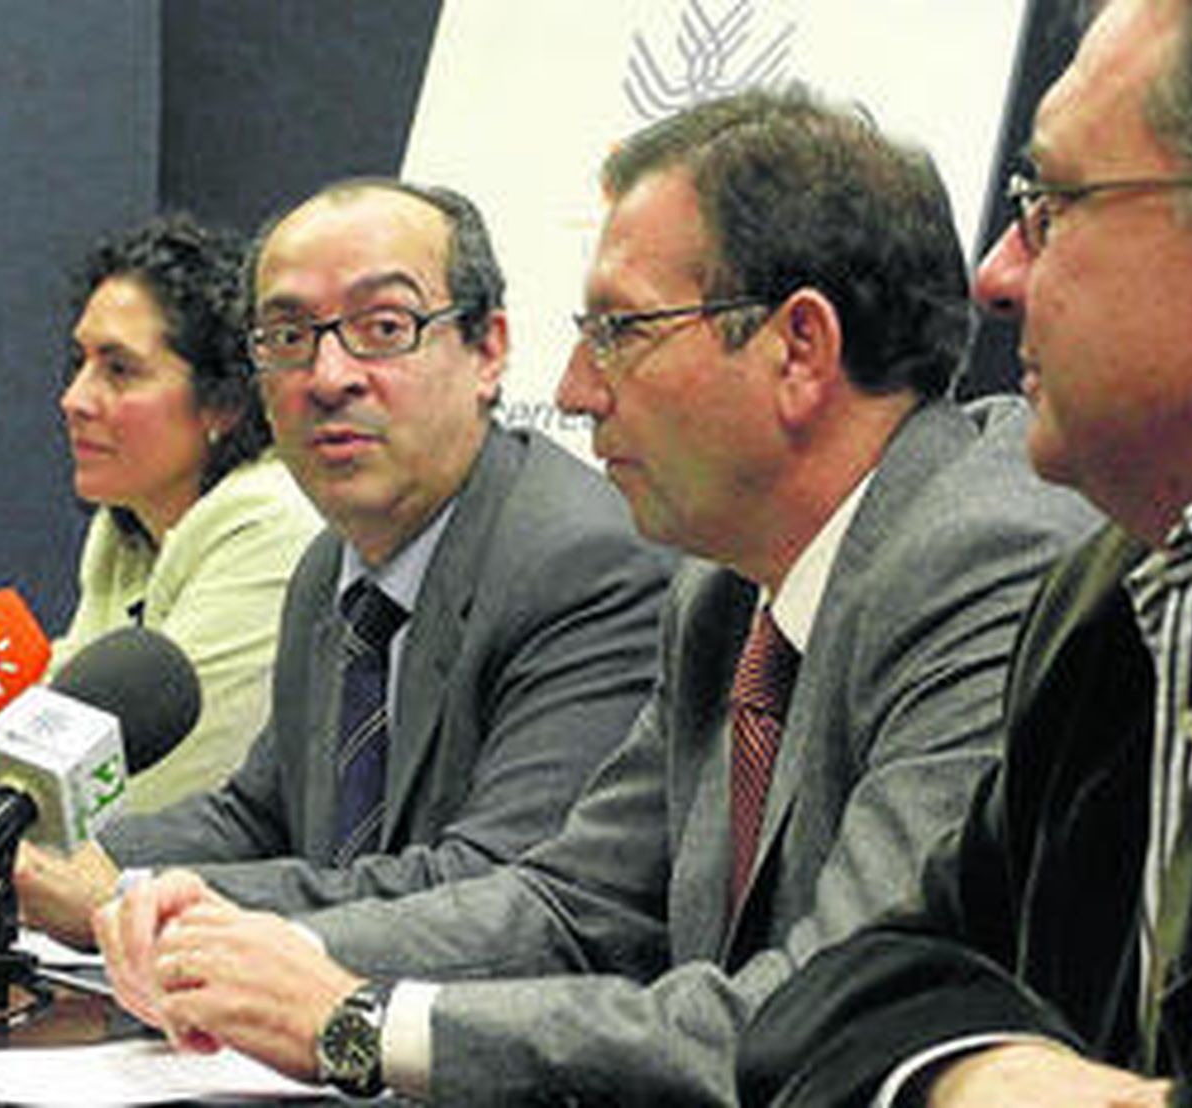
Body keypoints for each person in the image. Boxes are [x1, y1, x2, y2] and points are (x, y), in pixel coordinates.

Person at [90, 88, 1099, 1104]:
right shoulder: (719, 588)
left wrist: (361, 1023)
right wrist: (255, 951)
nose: (573, 388)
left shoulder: (979, 558)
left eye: (620, 330)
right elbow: (574, 906)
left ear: (799, 348)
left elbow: (830, 1017)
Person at [0, 179, 673, 947]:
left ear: (488, 350)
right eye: (287, 337)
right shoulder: (332, 565)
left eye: (384, 327)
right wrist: (42, 857)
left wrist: (125, 896)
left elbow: (494, 888)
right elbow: (260, 816)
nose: (328, 377)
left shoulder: (582, 567)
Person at [737, 2, 1192, 1105]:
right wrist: (969, 1074)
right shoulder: (1100, 602)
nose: (996, 277)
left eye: (1052, 207)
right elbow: (841, 991)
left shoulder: (991, 554)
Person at [54, 212, 322, 813]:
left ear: (222, 403)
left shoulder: (271, 520)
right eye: (81, 364)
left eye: (118, 370)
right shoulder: (122, 530)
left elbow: (146, 790)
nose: (74, 400)